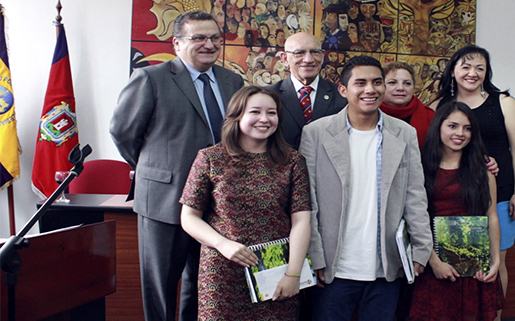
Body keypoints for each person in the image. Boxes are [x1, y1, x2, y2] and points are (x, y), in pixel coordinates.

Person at [110, 11, 244, 321]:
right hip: (164, 200)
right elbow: (123, 132)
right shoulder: (150, 78)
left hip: (217, 204)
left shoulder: (232, 80)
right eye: (198, 38)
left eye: (214, 38)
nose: (208, 44)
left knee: (203, 284)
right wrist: (154, 169)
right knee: (161, 286)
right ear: (177, 43)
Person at [298, 55, 433, 321]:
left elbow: (415, 196)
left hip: (387, 265)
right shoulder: (316, 133)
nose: (370, 89)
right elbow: (307, 202)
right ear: (343, 90)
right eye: (360, 83)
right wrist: (315, 257)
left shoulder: (403, 133)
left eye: (377, 82)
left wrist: (421, 248)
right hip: (334, 266)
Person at [179, 86, 311, 320]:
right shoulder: (210, 158)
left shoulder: (292, 161)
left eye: (271, 113)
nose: (264, 119)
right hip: (221, 270)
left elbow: (301, 220)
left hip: (275, 269)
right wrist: (223, 244)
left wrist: (293, 274)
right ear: (237, 116)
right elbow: (188, 217)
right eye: (255, 112)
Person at [431, 45, 515, 320]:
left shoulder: (503, 101)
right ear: (453, 70)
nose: (472, 73)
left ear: (487, 73)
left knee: (497, 260)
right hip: (455, 196)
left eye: (480, 68)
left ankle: (494, 316)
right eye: (466, 66)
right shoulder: (439, 106)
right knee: (457, 263)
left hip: (499, 193)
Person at [409, 101, 504, 321]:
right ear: (439, 127)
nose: (460, 133)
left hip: (473, 262)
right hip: (432, 262)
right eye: (452, 126)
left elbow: (491, 217)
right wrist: (434, 261)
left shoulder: (483, 169)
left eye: (467, 128)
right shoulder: (420, 166)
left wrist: (495, 260)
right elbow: (414, 218)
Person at [268, 32, 347, 150]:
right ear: (285, 59)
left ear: (323, 56)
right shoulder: (269, 96)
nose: (308, 59)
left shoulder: (342, 96)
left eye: (315, 52)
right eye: (299, 53)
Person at [379, 61, 435, 147]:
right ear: (381, 86)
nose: (401, 88)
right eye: (392, 82)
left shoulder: (431, 118)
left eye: (407, 83)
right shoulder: (369, 115)